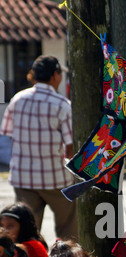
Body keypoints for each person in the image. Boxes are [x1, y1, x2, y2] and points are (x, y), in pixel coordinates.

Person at [0, 55, 77, 240]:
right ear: (55, 76)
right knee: (69, 230)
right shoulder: (63, 106)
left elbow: (8, 133)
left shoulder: (17, 100)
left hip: (23, 178)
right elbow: (70, 147)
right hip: (57, 179)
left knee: (26, 232)